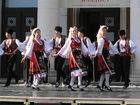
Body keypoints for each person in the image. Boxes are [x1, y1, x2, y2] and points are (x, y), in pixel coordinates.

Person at [51, 26, 89, 91]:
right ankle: (79, 84)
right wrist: (59, 54)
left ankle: (72, 84)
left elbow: (83, 47)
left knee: (77, 70)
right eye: (73, 31)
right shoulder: (70, 39)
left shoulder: (79, 39)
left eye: (75, 31)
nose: (74, 32)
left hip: (79, 54)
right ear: (71, 32)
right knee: (80, 69)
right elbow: (65, 47)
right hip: (73, 54)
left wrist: (88, 53)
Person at [91, 25, 119, 91]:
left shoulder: (106, 39)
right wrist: (96, 54)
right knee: (107, 70)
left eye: (105, 31)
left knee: (105, 71)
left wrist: (117, 52)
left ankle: (100, 84)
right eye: (103, 31)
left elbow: (112, 46)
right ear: (101, 32)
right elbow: (99, 47)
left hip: (106, 54)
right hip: (102, 55)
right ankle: (107, 84)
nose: (105, 32)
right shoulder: (101, 39)